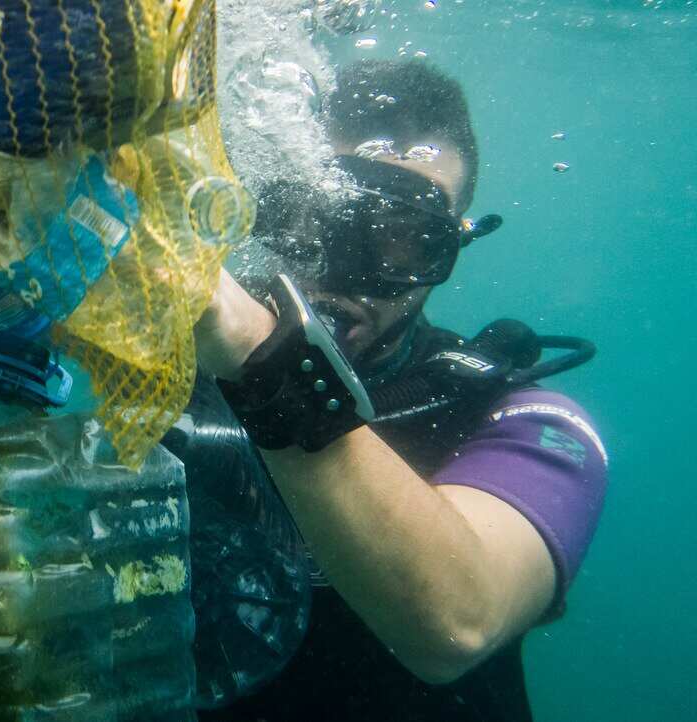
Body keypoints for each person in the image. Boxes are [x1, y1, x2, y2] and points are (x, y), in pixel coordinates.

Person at [193, 60, 608, 721]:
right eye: (312, 221)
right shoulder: (167, 376)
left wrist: (259, 353)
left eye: (400, 240)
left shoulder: (525, 417)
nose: (341, 267)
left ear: (450, 250)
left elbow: (458, 624)